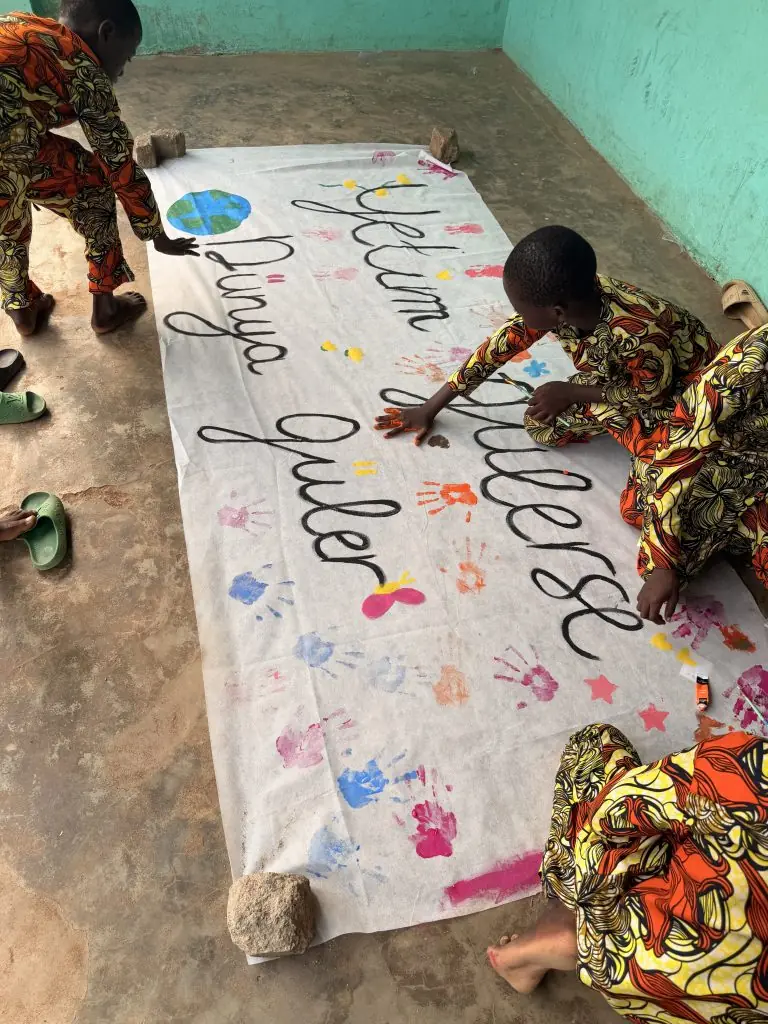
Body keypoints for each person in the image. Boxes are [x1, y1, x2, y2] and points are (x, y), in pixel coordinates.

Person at [488, 723, 768, 1023]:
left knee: (594, 743)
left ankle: (572, 919)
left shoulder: (753, 767)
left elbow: (620, 809)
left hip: (633, 948)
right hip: (708, 1001)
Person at [376, 226, 719, 459]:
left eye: (521, 310)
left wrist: (571, 392)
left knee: (654, 471)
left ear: (557, 312)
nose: (518, 317)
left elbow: (650, 392)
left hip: (686, 391)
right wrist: (431, 407)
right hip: (634, 374)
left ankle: (676, 448)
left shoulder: (639, 333)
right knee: (545, 422)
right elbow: (501, 344)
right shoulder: (576, 295)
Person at [0, 3, 198, 337]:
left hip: (11, 143)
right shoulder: (83, 69)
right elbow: (118, 162)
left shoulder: (18, 23)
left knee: (8, 218)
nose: (124, 68)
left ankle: (23, 308)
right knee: (92, 184)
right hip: (8, 150)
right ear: (106, 33)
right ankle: (105, 309)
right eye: (128, 55)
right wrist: (155, 232)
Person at [629, 324, 768, 624]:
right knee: (661, 563)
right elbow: (677, 453)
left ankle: (740, 535)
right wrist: (663, 562)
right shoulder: (747, 367)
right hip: (727, 462)